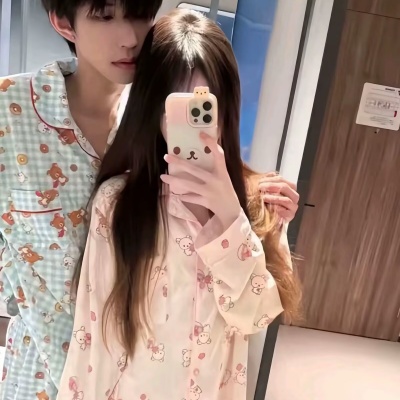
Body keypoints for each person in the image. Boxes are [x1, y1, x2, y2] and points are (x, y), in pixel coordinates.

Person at [0, 1, 299, 399]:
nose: (129, 38)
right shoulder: (11, 117)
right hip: (41, 374)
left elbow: (256, 314)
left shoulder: (247, 200)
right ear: (63, 22)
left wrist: (236, 208)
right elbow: (95, 337)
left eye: (140, 14)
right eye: (105, 15)